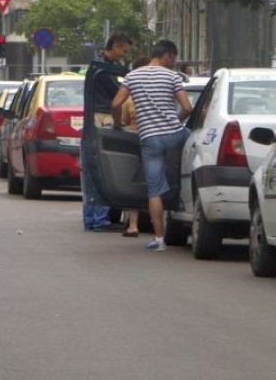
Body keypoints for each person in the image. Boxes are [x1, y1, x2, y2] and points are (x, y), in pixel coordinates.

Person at [111, 40, 192, 251]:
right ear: (166, 55)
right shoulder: (172, 77)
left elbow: (116, 104)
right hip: (175, 134)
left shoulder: (132, 76)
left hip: (150, 139)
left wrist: (118, 124)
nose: (173, 63)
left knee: (154, 190)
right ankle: (188, 197)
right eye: (173, 58)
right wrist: (176, 119)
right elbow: (187, 107)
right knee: (198, 152)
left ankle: (159, 240)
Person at [80, 32, 132, 232]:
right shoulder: (103, 69)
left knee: (91, 169)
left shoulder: (96, 65)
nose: (124, 54)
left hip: (92, 119)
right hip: (102, 118)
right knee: (103, 167)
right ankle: (100, 219)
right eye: (124, 50)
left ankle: (91, 219)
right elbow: (117, 94)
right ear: (117, 46)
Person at [118, 55, 150, 238]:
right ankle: (159, 228)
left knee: (134, 183)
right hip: (159, 140)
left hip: (135, 141)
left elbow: (122, 121)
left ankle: (133, 225)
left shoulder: (130, 98)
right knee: (156, 183)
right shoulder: (167, 88)